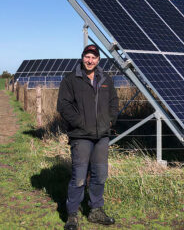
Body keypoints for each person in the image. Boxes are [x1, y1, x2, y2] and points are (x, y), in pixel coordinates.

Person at [57, 44, 119, 230]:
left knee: (100, 175)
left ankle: (95, 210)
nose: (90, 60)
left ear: (98, 60)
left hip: (102, 136)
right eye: (87, 57)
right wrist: (80, 123)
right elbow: (63, 105)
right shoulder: (71, 79)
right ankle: (72, 215)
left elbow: (113, 102)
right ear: (82, 57)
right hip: (81, 136)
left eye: (93, 57)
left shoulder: (105, 78)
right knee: (79, 176)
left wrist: (110, 120)